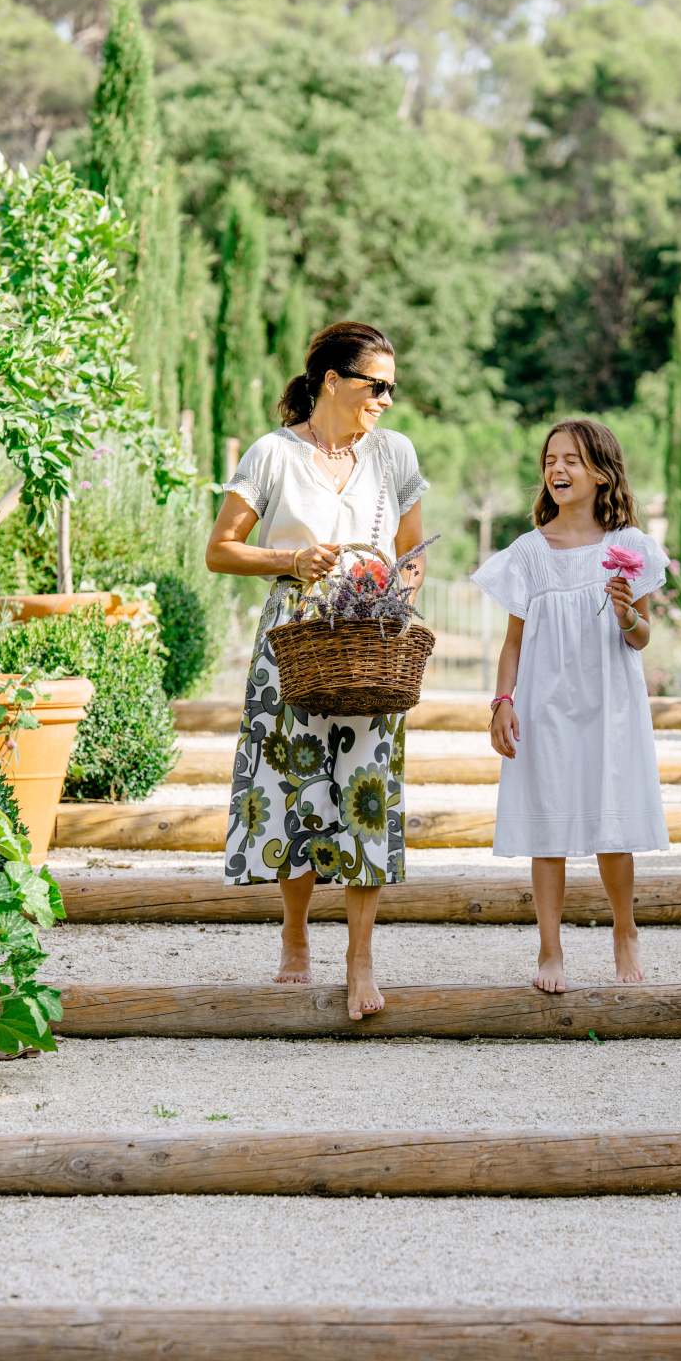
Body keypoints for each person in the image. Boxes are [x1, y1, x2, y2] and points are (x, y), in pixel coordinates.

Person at [205, 320, 430, 1020]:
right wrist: (290, 560)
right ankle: (295, 934)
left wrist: (393, 601)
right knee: (293, 785)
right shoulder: (272, 455)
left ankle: (360, 957)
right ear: (332, 380)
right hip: (293, 638)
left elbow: (414, 550)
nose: (387, 399)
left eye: (392, 386)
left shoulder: (393, 454)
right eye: (377, 384)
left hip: (370, 634)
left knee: (365, 789)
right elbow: (220, 549)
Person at [471, 418, 668, 992]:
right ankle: (550, 949)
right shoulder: (529, 553)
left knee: (612, 819)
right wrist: (502, 702)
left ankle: (624, 930)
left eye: (573, 460)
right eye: (551, 459)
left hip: (610, 701)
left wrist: (627, 609)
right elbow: (513, 643)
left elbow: (641, 638)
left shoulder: (627, 548)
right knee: (548, 825)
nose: (558, 469)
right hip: (545, 704)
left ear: (602, 473)